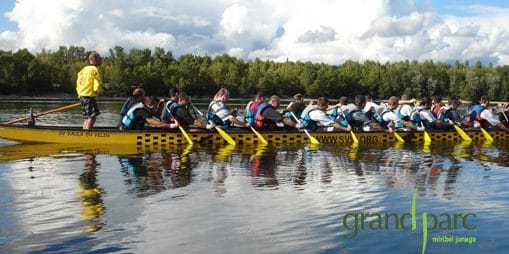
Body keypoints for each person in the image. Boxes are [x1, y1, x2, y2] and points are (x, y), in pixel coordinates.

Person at [76, 52, 103, 130]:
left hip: (82, 95)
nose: (101, 60)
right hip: (89, 95)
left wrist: (79, 94)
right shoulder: (94, 69)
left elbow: (78, 82)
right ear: (94, 60)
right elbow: (97, 82)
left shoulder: (83, 69)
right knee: (92, 117)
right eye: (99, 59)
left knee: (87, 117)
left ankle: (84, 132)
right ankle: (87, 135)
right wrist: (98, 91)